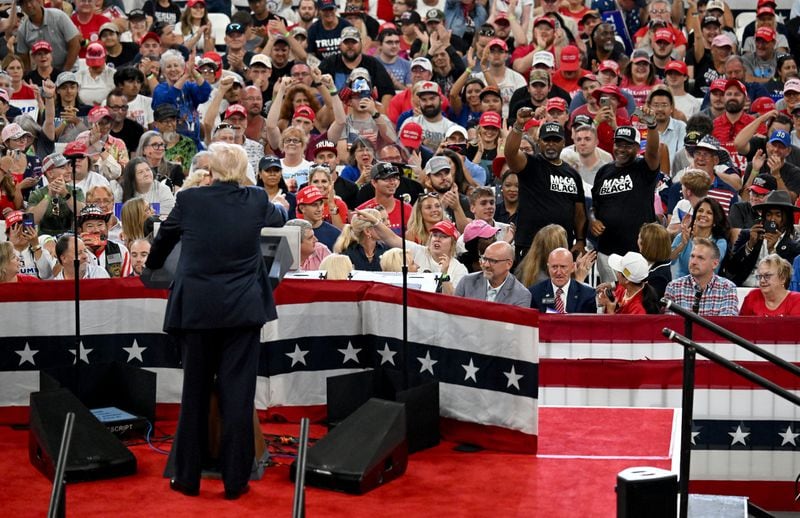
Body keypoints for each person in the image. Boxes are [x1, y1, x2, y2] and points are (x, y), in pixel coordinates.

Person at [145, 142, 285, 501]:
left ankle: (188, 477)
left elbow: (163, 240)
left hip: (196, 310)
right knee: (238, 396)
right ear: (242, 171)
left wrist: (151, 265)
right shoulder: (255, 199)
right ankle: (235, 481)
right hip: (241, 311)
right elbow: (279, 218)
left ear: (212, 169)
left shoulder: (191, 200)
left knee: (194, 393)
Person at [505, 116, 587, 263]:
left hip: (562, 247)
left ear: (563, 143)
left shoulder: (572, 174)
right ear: (539, 143)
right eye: (546, 140)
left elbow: (579, 213)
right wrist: (518, 126)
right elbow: (510, 154)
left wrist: (580, 240)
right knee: (529, 285)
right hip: (530, 245)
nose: (551, 145)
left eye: (555, 140)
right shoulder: (529, 164)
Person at [726, 190, 800, 287]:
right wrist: (749, 245)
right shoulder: (748, 235)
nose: (772, 219)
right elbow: (731, 268)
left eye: (778, 215)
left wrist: (773, 251)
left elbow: (787, 279)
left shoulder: (794, 245)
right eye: (769, 215)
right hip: (743, 288)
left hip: (774, 292)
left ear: (787, 218)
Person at [664, 237, 738, 316]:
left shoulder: (727, 288)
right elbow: (671, 323)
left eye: (700, 258)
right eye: (692, 256)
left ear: (715, 264)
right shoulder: (674, 287)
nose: (693, 262)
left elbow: (727, 323)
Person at [454, 241, 531, 307]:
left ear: (509, 264)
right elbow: (453, 314)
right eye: (485, 259)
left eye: (493, 261)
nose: (486, 265)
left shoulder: (521, 295)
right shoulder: (467, 282)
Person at [671, 197, 730, 278]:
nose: (703, 215)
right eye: (700, 211)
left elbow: (710, 264)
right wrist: (682, 244)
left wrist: (697, 239)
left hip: (708, 286)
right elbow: (669, 260)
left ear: (715, 221)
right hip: (682, 285)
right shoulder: (683, 236)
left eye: (709, 213)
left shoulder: (720, 242)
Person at [529, 247, 597, 313]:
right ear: (548, 268)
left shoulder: (587, 295)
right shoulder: (535, 293)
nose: (558, 272)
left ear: (573, 267)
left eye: (563, 267)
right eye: (554, 267)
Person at [596, 251, 661, 314]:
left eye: (619, 271)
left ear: (627, 280)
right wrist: (605, 304)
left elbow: (624, 325)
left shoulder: (638, 310)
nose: (617, 273)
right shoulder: (624, 288)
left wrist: (611, 312)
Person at [77, 204, 132, 278]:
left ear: (107, 227)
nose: (96, 230)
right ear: (80, 231)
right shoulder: (74, 253)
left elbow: (127, 282)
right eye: (90, 226)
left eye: (100, 224)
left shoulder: (121, 250)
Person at [296, 184, 340, 250]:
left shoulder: (336, 234)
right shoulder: (294, 233)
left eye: (321, 203)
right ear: (302, 208)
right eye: (314, 205)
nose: (319, 209)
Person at [638, 222, 673, 299]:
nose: (637, 243)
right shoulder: (647, 262)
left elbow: (650, 304)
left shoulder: (659, 277)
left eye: (639, 239)